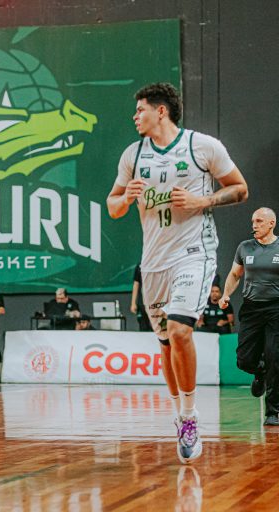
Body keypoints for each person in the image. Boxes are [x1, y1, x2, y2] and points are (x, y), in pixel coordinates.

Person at [107, 82, 248, 463]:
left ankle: (189, 417)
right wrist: (126, 198)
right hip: (153, 262)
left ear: (161, 111)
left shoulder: (202, 146)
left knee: (180, 329)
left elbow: (240, 189)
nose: (135, 116)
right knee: (166, 344)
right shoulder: (133, 154)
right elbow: (112, 206)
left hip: (194, 253)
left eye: (140, 110)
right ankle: (178, 413)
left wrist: (204, 200)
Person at [220, 207, 279, 425]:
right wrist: (226, 294)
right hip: (252, 309)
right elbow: (235, 274)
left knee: (275, 358)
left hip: (276, 309)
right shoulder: (244, 247)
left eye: (259, 221)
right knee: (244, 359)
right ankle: (259, 371)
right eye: (253, 221)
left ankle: (273, 412)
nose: (254, 225)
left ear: (271, 223)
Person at [131, 264, 153, 331]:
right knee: (143, 328)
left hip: (156, 303)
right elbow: (136, 284)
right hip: (142, 304)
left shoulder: (158, 263)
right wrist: (133, 303)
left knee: (158, 329)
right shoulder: (140, 266)